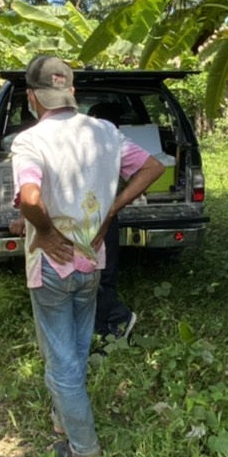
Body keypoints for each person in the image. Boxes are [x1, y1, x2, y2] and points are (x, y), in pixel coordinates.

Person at [10, 56, 165, 457]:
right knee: (75, 348)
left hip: (51, 264)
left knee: (60, 356)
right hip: (91, 259)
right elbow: (153, 166)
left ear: (32, 97)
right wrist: (111, 209)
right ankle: (63, 422)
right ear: (71, 92)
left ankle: (84, 448)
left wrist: (42, 231)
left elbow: (30, 197)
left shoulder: (30, 141)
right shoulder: (106, 133)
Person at [86, 102, 136, 343]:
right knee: (102, 275)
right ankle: (103, 328)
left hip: (94, 217)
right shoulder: (112, 141)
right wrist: (115, 207)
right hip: (106, 216)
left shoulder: (100, 143)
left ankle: (118, 318)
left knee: (96, 276)